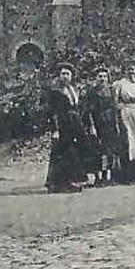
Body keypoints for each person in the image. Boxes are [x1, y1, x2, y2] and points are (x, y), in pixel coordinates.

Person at [44, 64, 94, 193]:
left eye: (68, 74)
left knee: (74, 152)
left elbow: (78, 108)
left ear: (71, 76)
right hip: (62, 125)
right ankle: (58, 183)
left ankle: (72, 181)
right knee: (62, 153)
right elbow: (51, 112)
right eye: (63, 74)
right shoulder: (55, 91)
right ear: (59, 76)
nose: (65, 76)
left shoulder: (73, 89)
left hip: (75, 124)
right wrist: (55, 130)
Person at [84, 66, 119, 185]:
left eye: (105, 76)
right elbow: (88, 111)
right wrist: (91, 126)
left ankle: (107, 176)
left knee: (109, 151)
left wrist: (116, 124)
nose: (102, 79)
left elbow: (115, 108)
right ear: (96, 78)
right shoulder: (91, 92)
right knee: (97, 151)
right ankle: (97, 177)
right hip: (97, 124)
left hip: (110, 124)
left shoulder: (111, 90)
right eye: (100, 76)